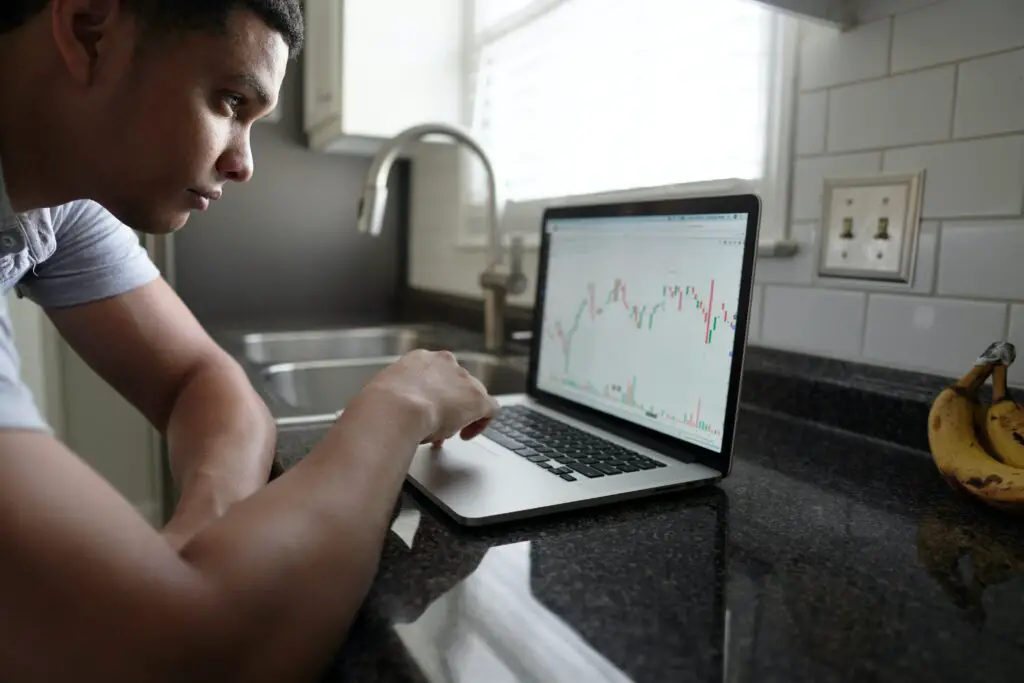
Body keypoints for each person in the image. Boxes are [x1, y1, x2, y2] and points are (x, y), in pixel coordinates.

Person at [0, 1, 499, 681]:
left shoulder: (53, 205)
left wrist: (202, 535)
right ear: (90, 31)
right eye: (231, 100)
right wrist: (397, 405)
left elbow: (201, 380)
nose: (244, 164)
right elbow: (193, 658)